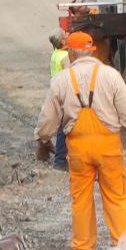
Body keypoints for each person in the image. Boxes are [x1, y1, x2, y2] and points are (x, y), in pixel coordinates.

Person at [35, 31, 126, 250]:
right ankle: (122, 248)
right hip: (108, 146)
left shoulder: (61, 80)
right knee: (116, 196)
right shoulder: (110, 75)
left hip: (78, 148)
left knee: (82, 200)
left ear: (72, 51)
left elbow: (48, 117)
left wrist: (43, 141)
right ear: (92, 50)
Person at [49, 32, 70, 170]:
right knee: (64, 127)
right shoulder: (64, 57)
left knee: (62, 126)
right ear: (62, 42)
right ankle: (60, 160)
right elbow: (71, 75)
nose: (68, 36)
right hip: (64, 93)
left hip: (56, 91)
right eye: (65, 36)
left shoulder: (55, 54)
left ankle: (61, 158)